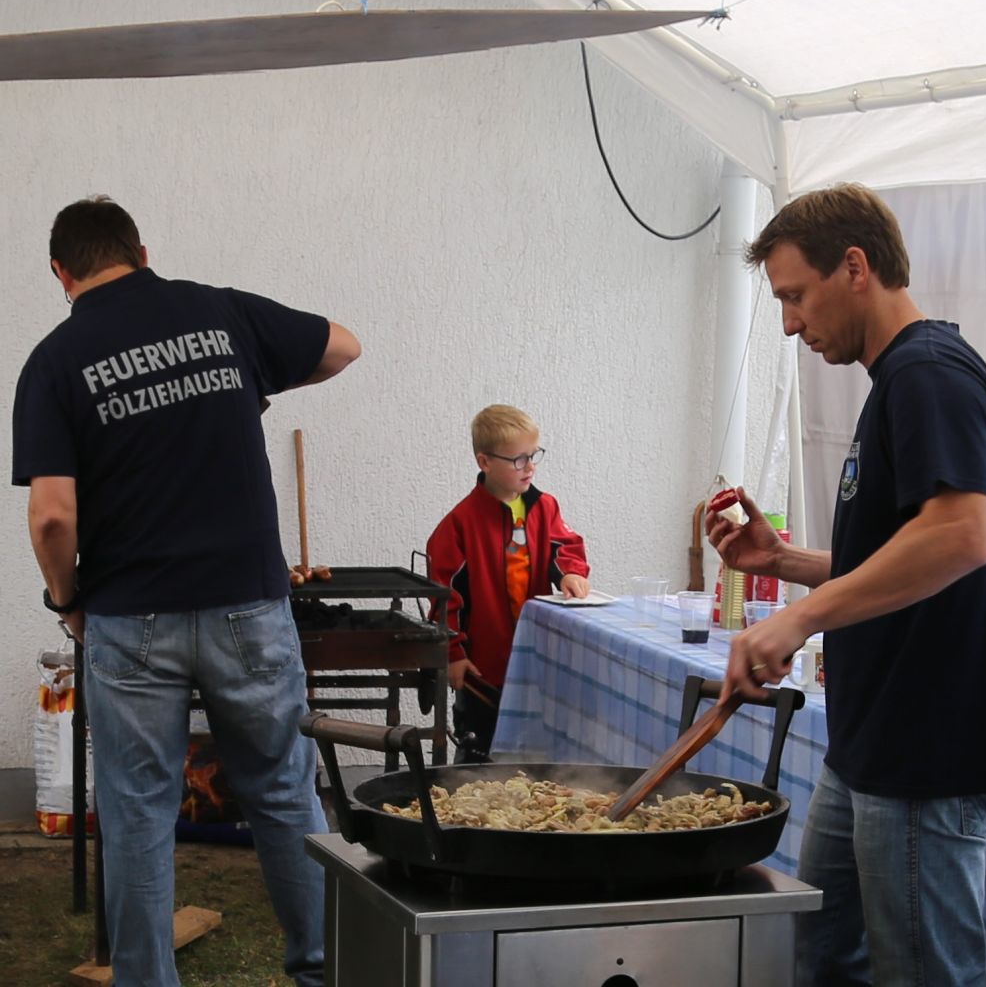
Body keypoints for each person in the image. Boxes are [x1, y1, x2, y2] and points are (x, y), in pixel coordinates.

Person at [13, 195, 362, 987]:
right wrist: (249, 381)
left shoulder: (55, 362)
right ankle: (324, 971)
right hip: (249, 608)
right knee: (281, 791)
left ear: (61, 273)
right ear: (141, 248)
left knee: (138, 812)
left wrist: (69, 603)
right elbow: (343, 346)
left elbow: (51, 517)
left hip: (129, 619)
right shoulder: (219, 313)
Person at [707, 183, 986, 985]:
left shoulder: (928, 374)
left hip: (925, 751)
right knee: (821, 955)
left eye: (795, 297)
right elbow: (901, 558)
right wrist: (783, 563)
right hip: (874, 745)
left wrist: (799, 620)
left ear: (855, 266)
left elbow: (961, 534)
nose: (788, 323)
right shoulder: (903, 380)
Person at [426, 404, 590, 763]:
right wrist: (453, 655)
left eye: (533, 456)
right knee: (480, 749)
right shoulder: (458, 525)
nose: (529, 467)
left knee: (534, 750)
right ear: (484, 462)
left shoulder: (544, 507)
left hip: (536, 657)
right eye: (518, 459)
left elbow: (565, 546)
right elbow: (443, 598)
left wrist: (570, 572)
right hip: (483, 668)